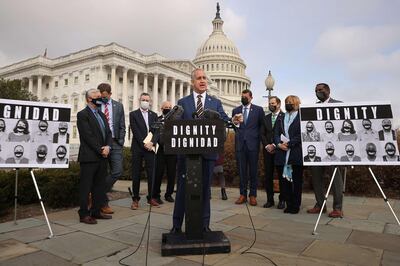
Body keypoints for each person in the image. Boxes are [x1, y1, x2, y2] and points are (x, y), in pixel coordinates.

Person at [171, 68, 230, 234]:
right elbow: (176, 125)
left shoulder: (215, 102)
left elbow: (223, 120)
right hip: (187, 155)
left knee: (205, 190)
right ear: (192, 82)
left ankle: (204, 224)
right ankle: (177, 225)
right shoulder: (183, 102)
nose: (203, 80)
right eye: (199, 78)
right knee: (183, 190)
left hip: (208, 154)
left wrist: (233, 120)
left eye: (205, 78)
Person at [307, 83, 344, 218]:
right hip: (317, 149)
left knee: (335, 179)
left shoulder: (339, 105)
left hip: (333, 150)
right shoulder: (313, 107)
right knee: (316, 178)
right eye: (316, 90)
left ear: (328, 91)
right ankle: (320, 204)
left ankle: (338, 208)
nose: (318, 92)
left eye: (320, 90)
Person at [76, 88, 113, 224]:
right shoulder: (82, 115)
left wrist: (108, 146)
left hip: (103, 156)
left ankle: (96, 211)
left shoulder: (102, 115)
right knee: (86, 188)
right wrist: (100, 149)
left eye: (100, 96)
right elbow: (87, 136)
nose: (100, 98)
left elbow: (108, 133)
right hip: (89, 157)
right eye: (97, 96)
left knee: (99, 187)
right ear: (89, 99)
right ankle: (84, 214)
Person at [232, 89, 264, 206]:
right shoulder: (235, 110)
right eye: (242, 96)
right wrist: (235, 122)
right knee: (241, 171)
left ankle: (253, 195)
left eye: (245, 97)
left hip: (253, 144)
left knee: (253, 171)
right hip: (240, 144)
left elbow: (261, 127)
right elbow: (234, 127)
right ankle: (242, 194)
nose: (243, 98)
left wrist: (259, 140)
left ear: (251, 97)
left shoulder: (258, 110)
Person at [98, 83, 126, 214]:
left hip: (115, 143)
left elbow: (122, 125)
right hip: (101, 143)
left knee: (117, 171)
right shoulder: (96, 105)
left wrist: (120, 141)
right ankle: (104, 204)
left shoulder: (118, 106)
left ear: (110, 94)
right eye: (101, 96)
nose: (103, 98)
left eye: (105, 96)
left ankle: (97, 193)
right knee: (101, 173)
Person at [273, 95, 303, 214]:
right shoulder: (281, 117)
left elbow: (302, 134)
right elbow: (275, 133)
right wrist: (279, 144)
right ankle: (288, 203)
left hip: (295, 153)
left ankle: (295, 205)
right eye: (286, 102)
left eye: (290, 102)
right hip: (282, 153)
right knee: (284, 181)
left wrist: (289, 144)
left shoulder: (301, 117)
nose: (288, 104)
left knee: (296, 181)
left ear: (296, 103)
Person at [129, 92, 159, 210]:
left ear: (150, 101)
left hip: (150, 148)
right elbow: (135, 130)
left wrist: (152, 143)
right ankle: (135, 199)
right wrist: (144, 143)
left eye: (147, 100)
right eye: (143, 100)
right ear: (139, 100)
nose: (145, 102)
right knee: (136, 174)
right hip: (138, 148)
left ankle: (151, 197)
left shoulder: (154, 115)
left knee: (151, 174)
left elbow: (157, 131)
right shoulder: (133, 114)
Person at [260, 96, 285, 209]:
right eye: (270, 103)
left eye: (273, 103)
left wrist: (275, 145)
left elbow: (284, 133)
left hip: (280, 150)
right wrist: (267, 145)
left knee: (281, 176)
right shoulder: (266, 118)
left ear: (278, 104)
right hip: (267, 151)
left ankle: (282, 200)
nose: (271, 105)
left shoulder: (285, 117)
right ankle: (270, 200)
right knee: (268, 175)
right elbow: (262, 134)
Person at [153, 101, 177, 203]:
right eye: (166, 107)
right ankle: (156, 195)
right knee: (158, 173)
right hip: (161, 150)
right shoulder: (158, 120)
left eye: (170, 107)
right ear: (162, 109)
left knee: (171, 174)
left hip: (172, 151)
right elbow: (154, 133)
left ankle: (169, 194)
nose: (168, 109)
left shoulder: (175, 121)